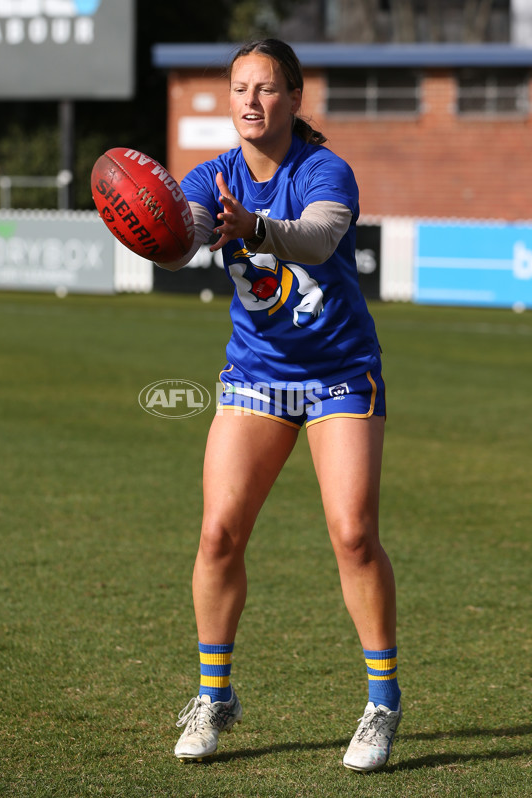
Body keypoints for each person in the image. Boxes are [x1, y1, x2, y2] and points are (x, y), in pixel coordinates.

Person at [156, 38, 402, 773]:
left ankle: (382, 703)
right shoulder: (212, 174)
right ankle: (213, 696)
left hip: (339, 375)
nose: (251, 102)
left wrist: (256, 228)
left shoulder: (324, 169)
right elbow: (184, 239)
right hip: (256, 377)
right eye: (240, 89)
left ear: (295, 99)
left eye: (266, 89)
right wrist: (160, 231)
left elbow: (322, 239)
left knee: (353, 535)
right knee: (218, 534)